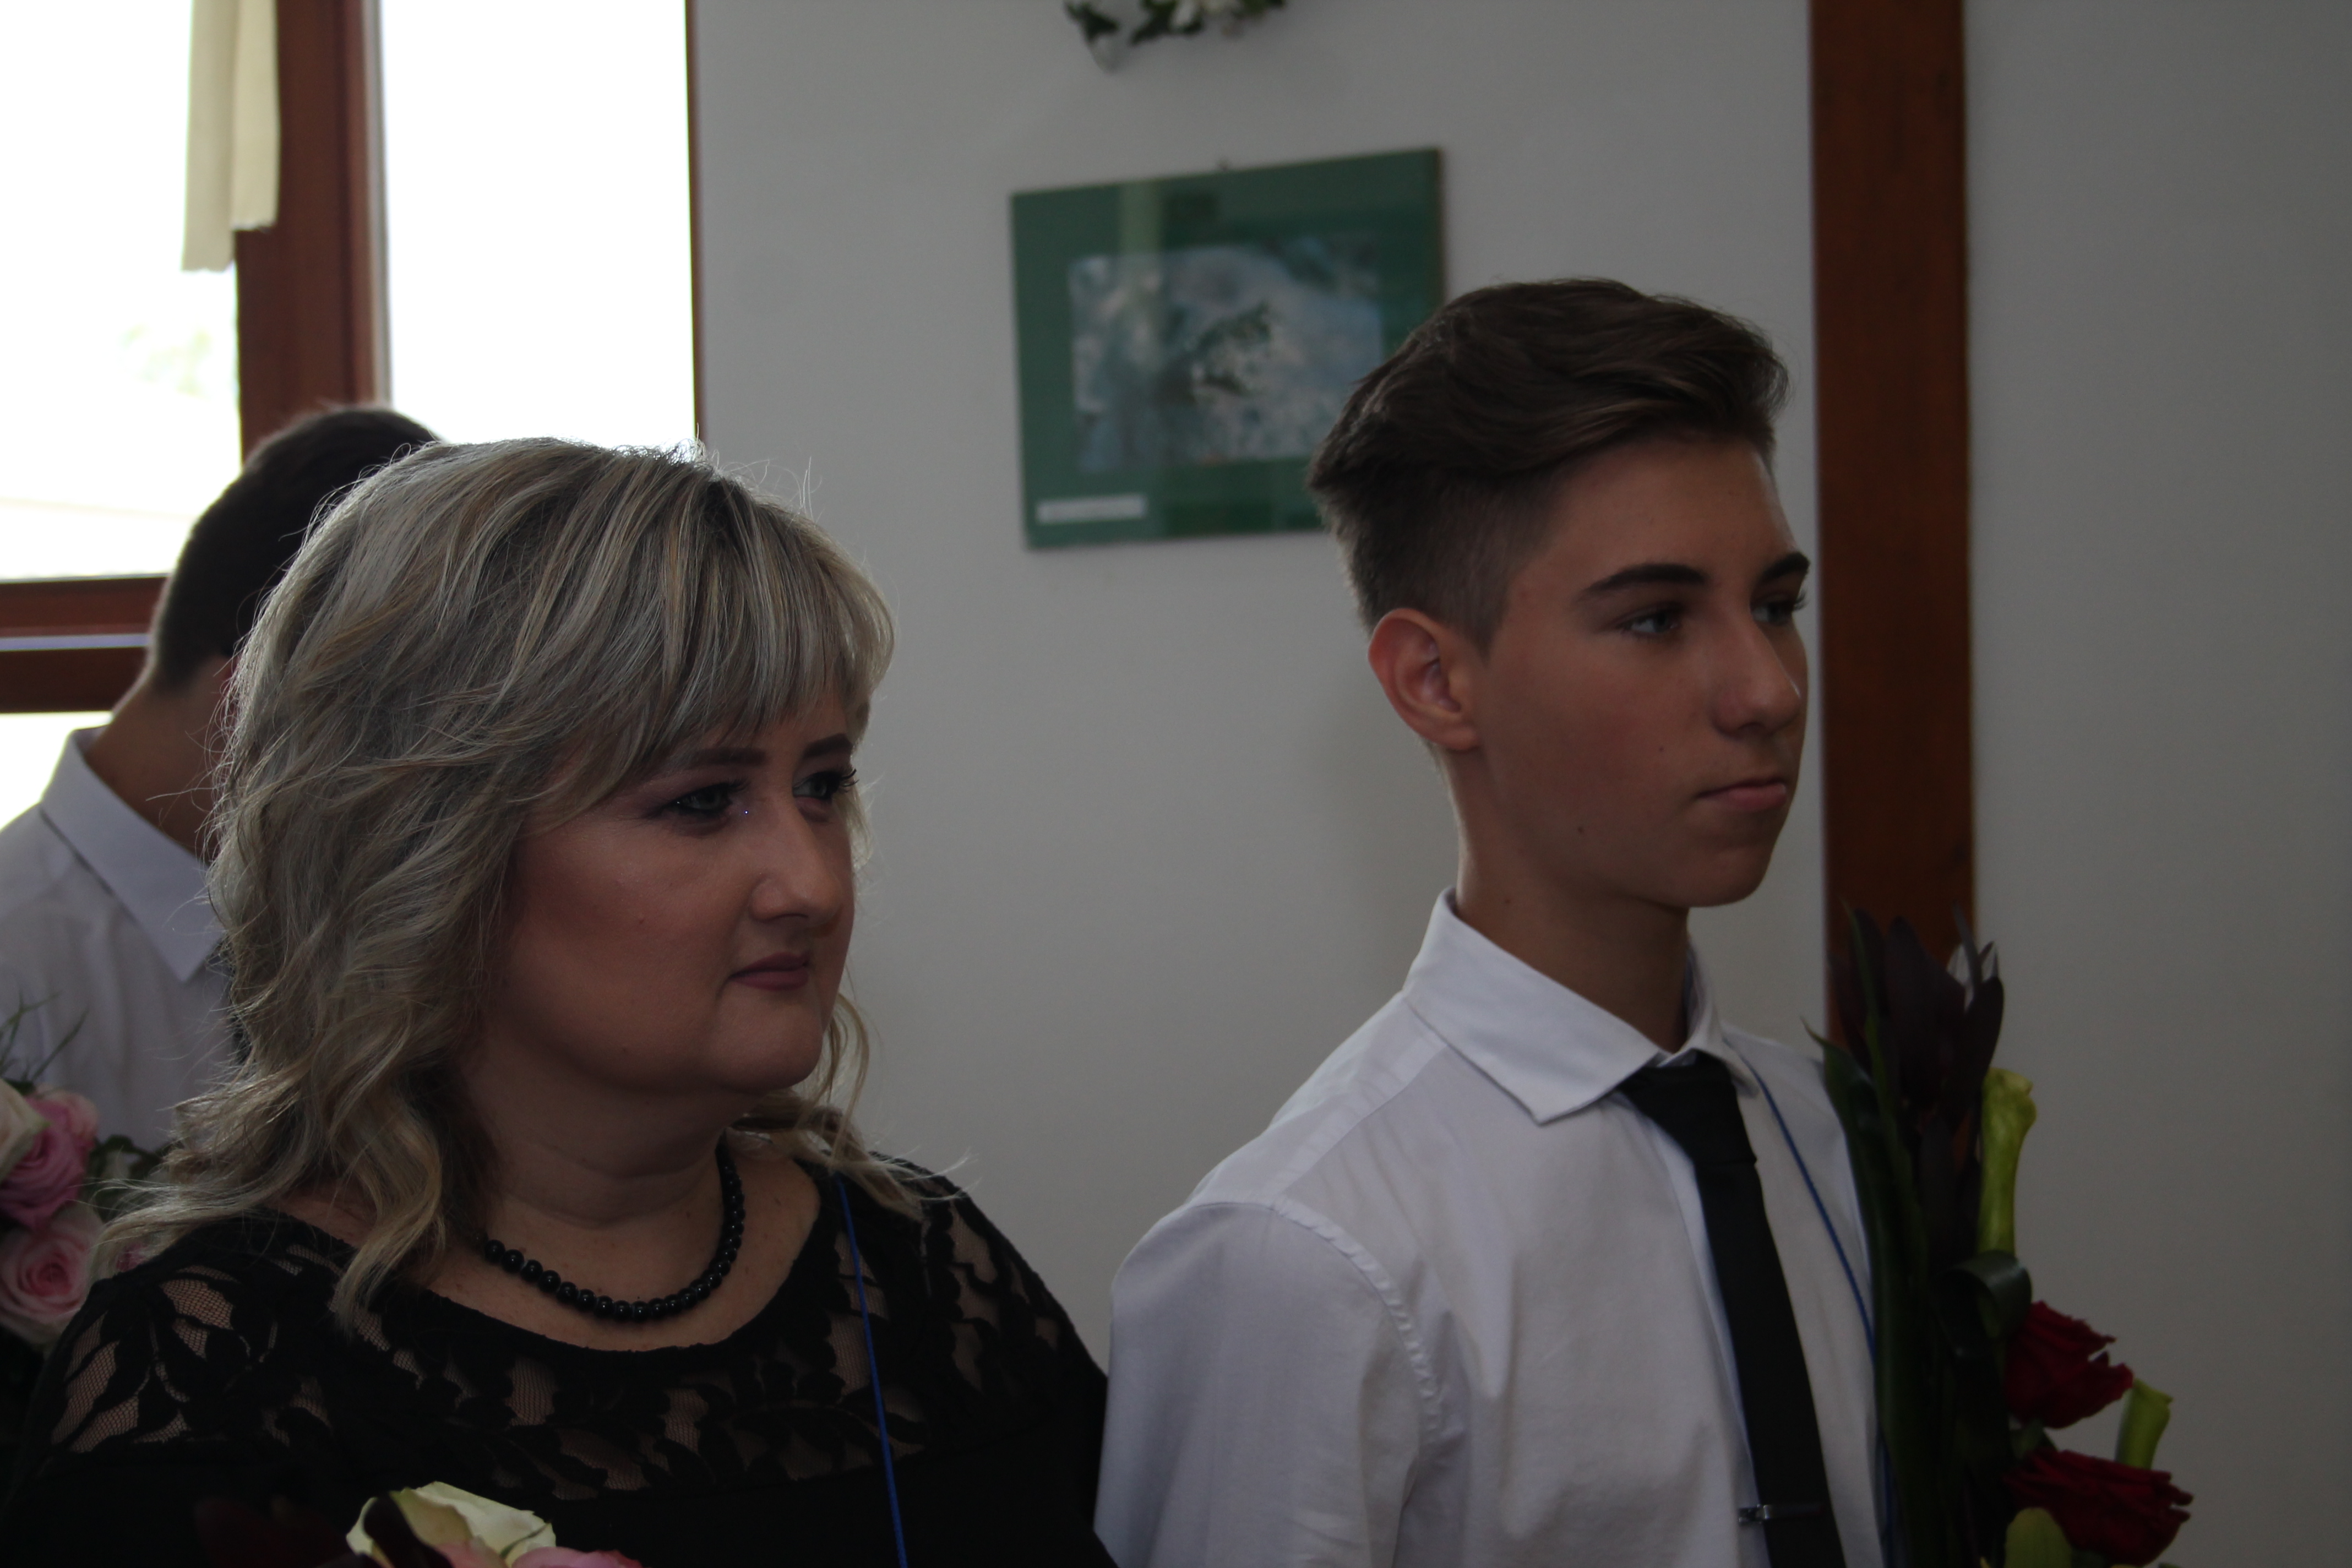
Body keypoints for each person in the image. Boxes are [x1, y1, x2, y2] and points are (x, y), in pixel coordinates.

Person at [0, 441, 1114, 1567]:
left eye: (821, 785)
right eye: (704, 801)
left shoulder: (930, 1277)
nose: (813, 885)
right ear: (431, 853)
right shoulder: (213, 1384)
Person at [1095, 280, 1880, 1568]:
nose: (1767, 689)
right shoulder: (1309, 1253)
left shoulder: (1829, 1138)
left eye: (1776, 604)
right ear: (1436, 679)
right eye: (1656, 617)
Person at [0, 407, 437, 1148]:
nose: (420, 783)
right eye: (404, 728)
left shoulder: (389, 926)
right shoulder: (17, 959)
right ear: (258, 702)